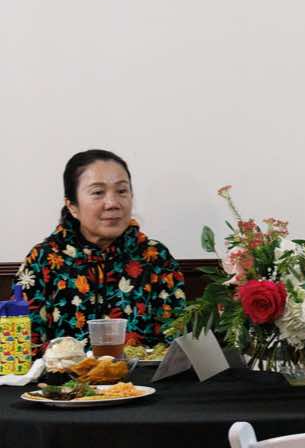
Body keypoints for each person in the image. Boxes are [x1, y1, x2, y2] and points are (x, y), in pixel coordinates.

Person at [16, 149, 186, 353]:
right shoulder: (43, 260)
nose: (113, 203)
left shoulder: (156, 257)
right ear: (72, 206)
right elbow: (24, 347)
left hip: (143, 374)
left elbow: (177, 341)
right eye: (98, 192)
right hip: (65, 374)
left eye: (122, 191)